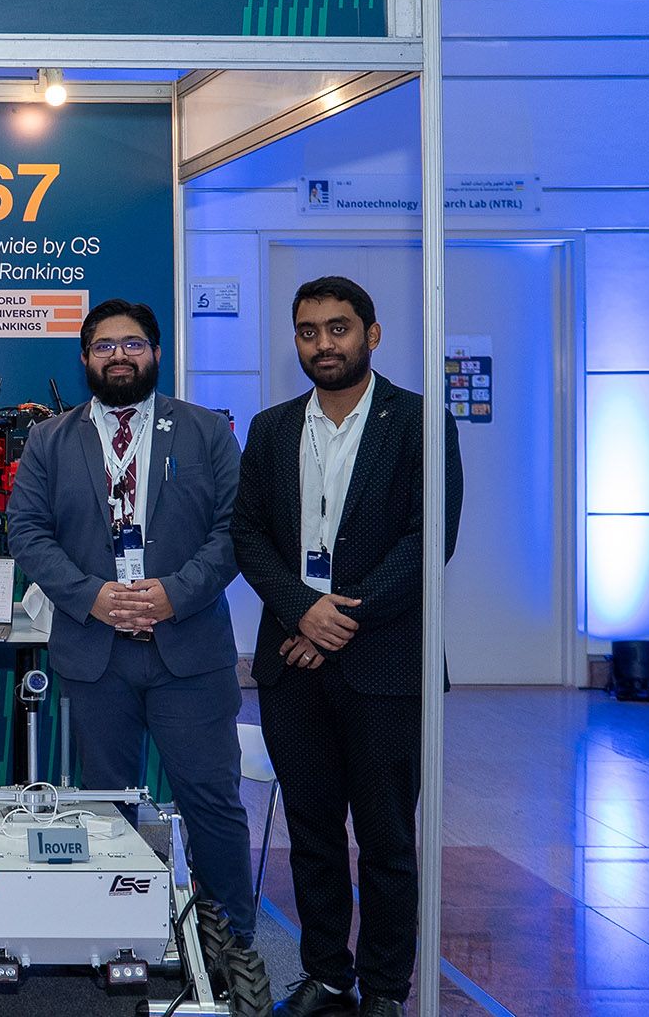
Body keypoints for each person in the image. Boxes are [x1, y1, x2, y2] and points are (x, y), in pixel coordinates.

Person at [231, 277, 462, 1017]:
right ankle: (327, 973)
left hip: (385, 666)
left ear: (372, 333)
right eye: (308, 331)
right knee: (311, 834)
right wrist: (303, 611)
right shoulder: (271, 429)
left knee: (387, 839)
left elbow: (427, 541)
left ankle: (386, 988)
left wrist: (335, 621)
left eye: (338, 328)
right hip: (291, 666)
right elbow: (248, 533)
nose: (322, 343)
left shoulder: (420, 422)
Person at [3, 298, 259, 946]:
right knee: (105, 806)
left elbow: (238, 528)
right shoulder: (49, 440)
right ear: (85, 358)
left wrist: (176, 593)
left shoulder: (206, 430)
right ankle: (120, 936)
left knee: (210, 799)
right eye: (105, 346)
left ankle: (230, 941)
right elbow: (26, 532)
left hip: (189, 651)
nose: (119, 355)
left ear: (156, 352)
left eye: (133, 344)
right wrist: (89, 595)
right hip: (96, 653)